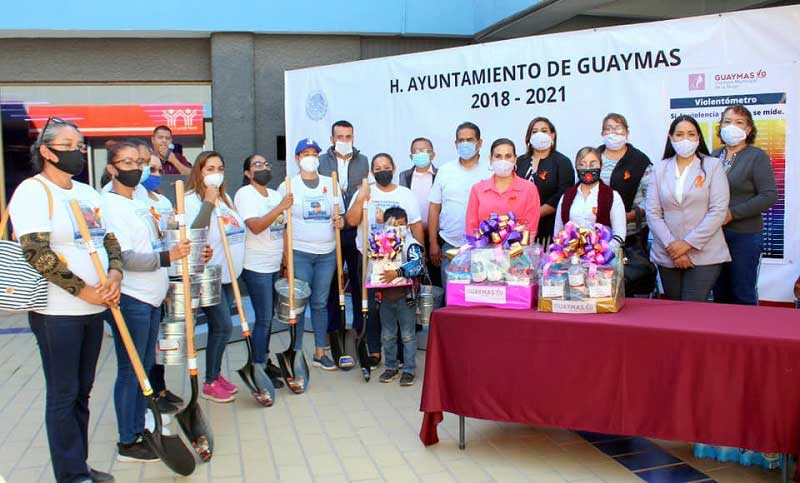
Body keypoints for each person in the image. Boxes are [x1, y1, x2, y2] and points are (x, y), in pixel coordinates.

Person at [8, 117, 121, 483]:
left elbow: (110, 241)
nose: (77, 151)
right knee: (64, 393)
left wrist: (115, 276)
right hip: (57, 314)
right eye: (69, 145)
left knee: (83, 393)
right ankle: (70, 475)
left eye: (79, 144)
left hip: (94, 308)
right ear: (46, 151)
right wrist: (85, 290)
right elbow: (37, 253)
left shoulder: (86, 193)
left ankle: (80, 466)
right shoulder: (33, 191)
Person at [100, 141, 192, 463]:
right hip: (132, 297)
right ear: (111, 168)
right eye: (126, 162)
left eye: (138, 161)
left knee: (144, 366)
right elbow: (123, 258)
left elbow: (154, 235)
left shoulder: (140, 198)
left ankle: (141, 422)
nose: (135, 168)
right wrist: (168, 256)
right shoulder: (109, 205)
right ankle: (129, 439)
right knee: (132, 369)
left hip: (153, 295)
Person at [346, 153, 424, 366]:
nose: (382, 171)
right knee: (370, 306)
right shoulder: (364, 193)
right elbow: (351, 221)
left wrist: (420, 253)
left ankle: (399, 352)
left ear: (394, 167)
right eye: (378, 168)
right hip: (371, 260)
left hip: (400, 262)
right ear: (372, 172)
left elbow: (416, 225)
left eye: (386, 166)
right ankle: (374, 349)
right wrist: (362, 196)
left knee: (398, 305)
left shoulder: (405, 194)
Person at [646, 115, 730, 301]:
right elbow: (653, 213)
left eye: (691, 134)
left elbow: (718, 211)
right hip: (668, 253)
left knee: (692, 310)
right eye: (680, 134)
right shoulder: (659, 169)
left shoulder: (713, 166)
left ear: (698, 138)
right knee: (673, 310)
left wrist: (687, 245)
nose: (685, 139)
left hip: (704, 253)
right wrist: (673, 247)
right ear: (671, 138)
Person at [279, 139, 344, 371]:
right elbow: (283, 225)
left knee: (319, 303)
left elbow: (341, 217)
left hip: (327, 254)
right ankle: (295, 352)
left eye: (314, 153)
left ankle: (319, 352)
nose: (310, 157)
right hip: (300, 253)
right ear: (297, 158)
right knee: (298, 304)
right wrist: (286, 259)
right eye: (305, 153)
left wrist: (340, 221)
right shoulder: (288, 185)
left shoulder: (330, 183)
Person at [185, 151, 245, 402]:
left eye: (219, 168)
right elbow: (195, 232)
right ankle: (210, 382)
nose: (216, 173)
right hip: (208, 275)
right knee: (222, 326)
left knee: (219, 329)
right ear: (199, 172)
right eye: (210, 168)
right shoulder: (190, 199)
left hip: (229, 273)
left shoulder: (226, 197)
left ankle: (216, 374)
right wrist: (208, 203)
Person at [234, 154, 292, 388]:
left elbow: (284, 228)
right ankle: (258, 364)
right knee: (264, 318)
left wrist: (286, 261)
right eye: (257, 165)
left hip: (273, 264)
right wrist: (281, 207)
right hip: (255, 265)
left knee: (268, 318)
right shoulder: (245, 194)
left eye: (266, 164)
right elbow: (256, 226)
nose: (264, 168)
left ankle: (264, 359)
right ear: (248, 172)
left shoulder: (276, 195)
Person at [712, 105, 777, 306]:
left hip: (744, 236)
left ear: (748, 130)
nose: (732, 126)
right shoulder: (714, 155)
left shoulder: (757, 156)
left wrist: (733, 214)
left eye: (739, 122)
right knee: (719, 293)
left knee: (742, 293)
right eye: (727, 121)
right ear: (720, 127)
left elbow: (768, 195)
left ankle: (749, 336)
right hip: (714, 235)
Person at [318, 120, 369, 360]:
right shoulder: (320, 162)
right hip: (331, 228)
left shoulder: (363, 160)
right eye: (340, 136)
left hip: (355, 227)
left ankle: (360, 327)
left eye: (348, 136)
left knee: (359, 281)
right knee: (332, 283)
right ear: (332, 139)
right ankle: (333, 329)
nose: (345, 140)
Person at [428, 122, 491, 286]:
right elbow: (434, 207)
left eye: (469, 140)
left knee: (481, 294)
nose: (465, 144)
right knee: (452, 297)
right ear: (455, 143)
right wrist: (433, 243)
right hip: (450, 244)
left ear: (480, 143)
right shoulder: (445, 170)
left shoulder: (491, 170)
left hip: (484, 247)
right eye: (461, 140)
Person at [373, 207, 425, 387]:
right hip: (385, 298)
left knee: (408, 335)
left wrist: (398, 272)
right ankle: (391, 367)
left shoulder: (411, 244)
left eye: (401, 225)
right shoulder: (378, 244)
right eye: (393, 225)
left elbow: (418, 266)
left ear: (407, 225)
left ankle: (409, 369)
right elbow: (371, 268)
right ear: (385, 225)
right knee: (387, 335)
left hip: (406, 298)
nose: (397, 229)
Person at [597, 113, 653, 249]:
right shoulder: (592, 158)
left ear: (627, 133)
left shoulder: (639, 160)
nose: (613, 132)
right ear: (602, 133)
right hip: (598, 233)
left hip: (632, 234)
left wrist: (629, 216)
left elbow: (651, 197)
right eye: (608, 128)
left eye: (618, 128)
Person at [553, 147, 627, 250]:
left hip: (603, 260)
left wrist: (599, 253)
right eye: (582, 164)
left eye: (592, 164)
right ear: (576, 167)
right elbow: (558, 232)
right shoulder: (566, 197)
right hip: (571, 257)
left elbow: (619, 235)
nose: (587, 169)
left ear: (601, 166)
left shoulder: (613, 196)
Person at [515, 117, 575, 241]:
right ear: (529, 137)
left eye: (544, 130)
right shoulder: (520, 162)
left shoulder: (562, 162)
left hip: (550, 228)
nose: (539, 134)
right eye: (535, 131)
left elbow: (563, 194)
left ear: (552, 135)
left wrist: (535, 214)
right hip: (519, 228)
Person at [465, 138, 541, 235]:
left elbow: (530, 228)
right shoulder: (478, 189)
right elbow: (471, 227)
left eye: (508, 156)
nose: (503, 161)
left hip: (518, 249)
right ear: (491, 159)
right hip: (482, 249)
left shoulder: (529, 189)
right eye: (498, 156)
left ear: (515, 159)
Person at [399, 137, 439, 286]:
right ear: (411, 156)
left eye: (425, 150)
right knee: (414, 275)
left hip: (435, 235)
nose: (421, 154)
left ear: (433, 155)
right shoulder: (404, 176)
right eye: (417, 151)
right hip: (412, 235)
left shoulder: (440, 175)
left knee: (436, 276)